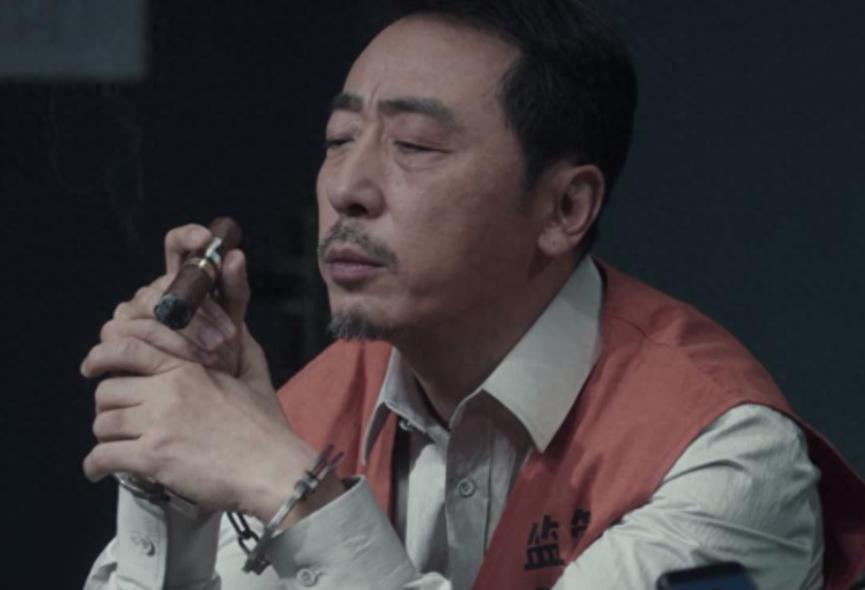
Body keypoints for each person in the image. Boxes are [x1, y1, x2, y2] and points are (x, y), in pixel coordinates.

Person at [82, 1, 865, 589]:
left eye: (414, 146)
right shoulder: (309, 410)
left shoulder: (725, 460)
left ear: (564, 208)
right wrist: (175, 485)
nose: (347, 187)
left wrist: (294, 496)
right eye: (338, 140)